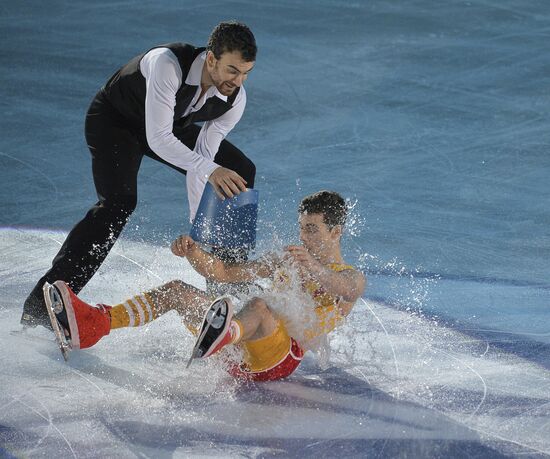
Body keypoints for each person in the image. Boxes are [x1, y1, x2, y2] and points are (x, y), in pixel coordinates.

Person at [22, 21, 258, 329]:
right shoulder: (167, 63)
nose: (238, 81)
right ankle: (43, 306)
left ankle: (226, 290)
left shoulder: (234, 100)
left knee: (238, 173)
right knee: (118, 203)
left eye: (245, 73)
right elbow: (160, 140)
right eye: (232, 70)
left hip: (170, 128)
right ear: (211, 58)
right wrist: (210, 171)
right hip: (116, 122)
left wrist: (198, 228)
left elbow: (202, 161)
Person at [44, 191, 366, 382]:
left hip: (278, 360)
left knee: (259, 305)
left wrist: (314, 268)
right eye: (302, 229)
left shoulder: (350, 275)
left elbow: (345, 288)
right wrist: (194, 253)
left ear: (336, 232)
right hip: (240, 349)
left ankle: (222, 334)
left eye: (313, 230)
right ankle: (95, 324)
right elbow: (226, 272)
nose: (304, 238)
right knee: (176, 291)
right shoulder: (287, 260)